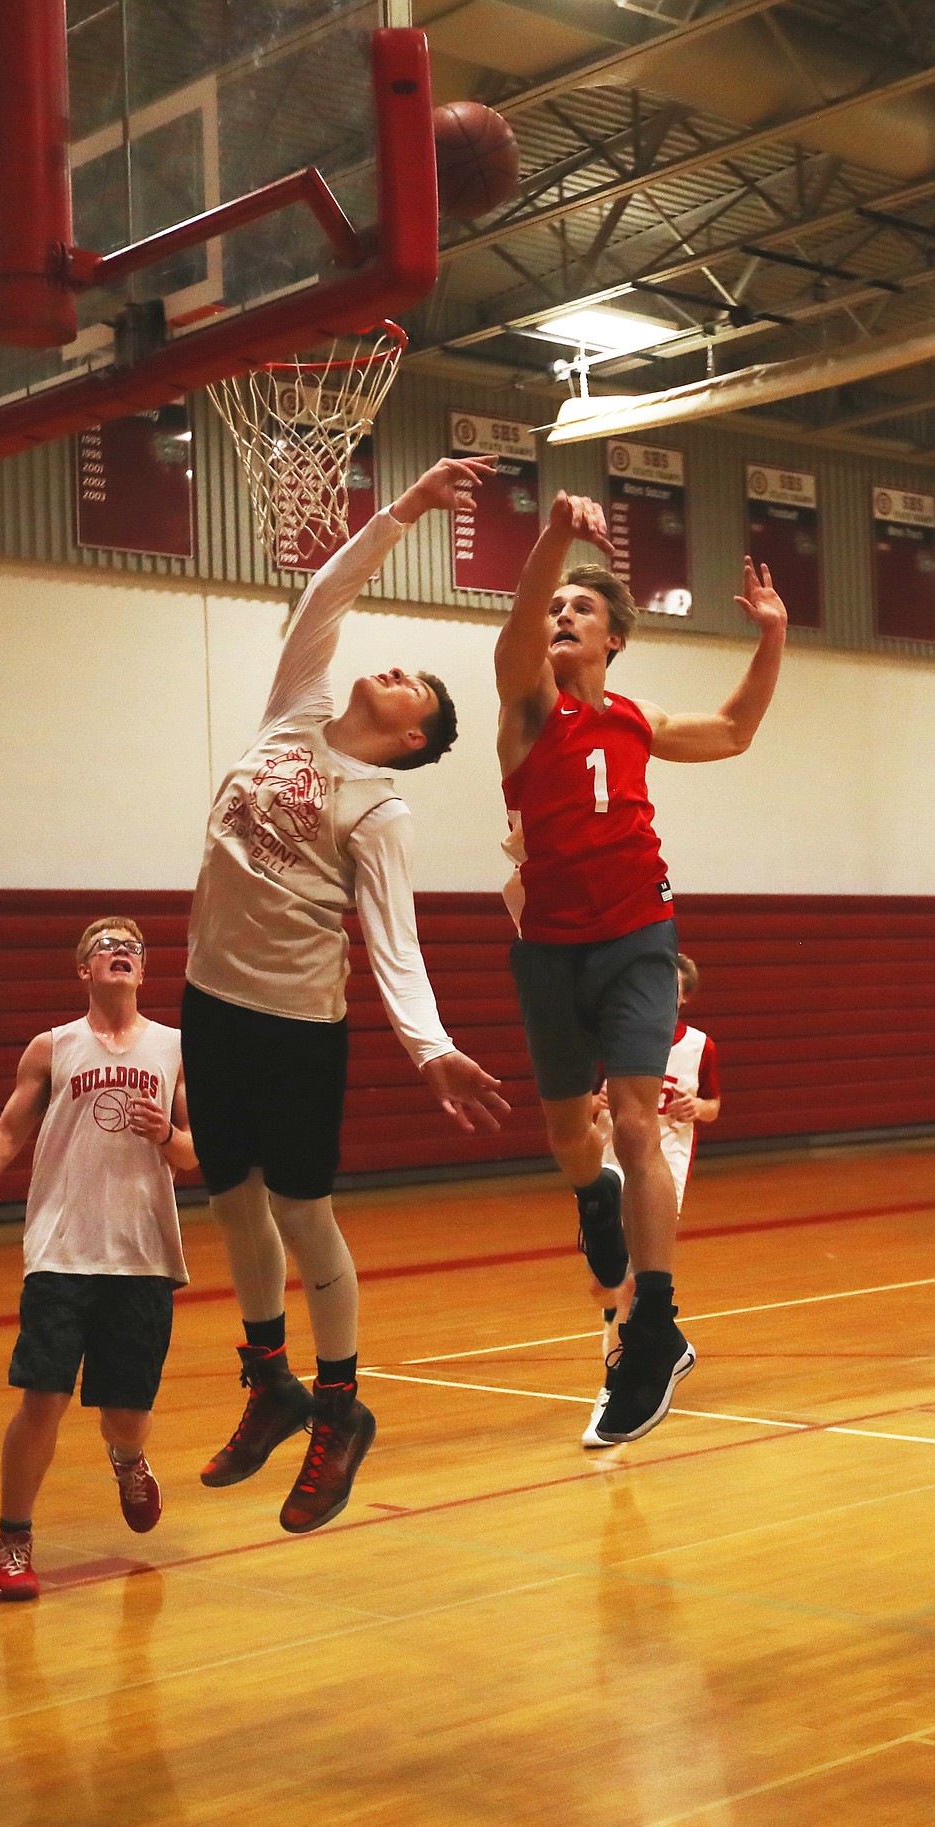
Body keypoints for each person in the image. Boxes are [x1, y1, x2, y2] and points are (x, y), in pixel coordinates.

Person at [182, 454, 510, 1536]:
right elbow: (326, 595)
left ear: (414, 737)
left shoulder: (379, 810)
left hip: (294, 1029)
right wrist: (407, 508)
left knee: (300, 1211)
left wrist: (430, 1049)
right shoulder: (296, 711)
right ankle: (268, 1380)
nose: (395, 669)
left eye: (416, 683)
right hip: (211, 1004)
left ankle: (338, 1406)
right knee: (229, 1201)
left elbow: (393, 945)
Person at [495, 491, 786, 1444]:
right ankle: (594, 1202)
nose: (560, 617)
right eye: (553, 609)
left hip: (638, 934)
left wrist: (771, 638)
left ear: (616, 637)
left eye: (579, 608)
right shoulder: (528, 706)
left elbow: (737, 732)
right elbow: (518, 632)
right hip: (550, 947)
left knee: (631, 1117)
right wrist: (553, 540)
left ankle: (653, 1325)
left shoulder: (636, 715)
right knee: (570, 1139)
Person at [0, 916, 196, 1600]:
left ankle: (127, 1457)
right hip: (62, 1248)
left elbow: (196, 1152)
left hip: (143, 1252)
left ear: (144, 972)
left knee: (125, 1414)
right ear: (83, 970)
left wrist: (167, 1137)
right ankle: (13, 1540)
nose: (119, 952)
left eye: (131, 948)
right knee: (44, 1396)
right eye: (105, 947)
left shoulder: (177, 1049)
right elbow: (9, 1128)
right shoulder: (53, 1046)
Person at [583, 950, 720, 1446]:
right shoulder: (618, 1038)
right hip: (612, 1159)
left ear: (683, 995)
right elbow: (587, 1099)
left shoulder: (701, 1047)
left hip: (665, 1164)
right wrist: (592, 1102)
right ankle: (627, 1364)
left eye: (672, 986)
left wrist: (698, 1106)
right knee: (608, 1279)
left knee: (633, 1280)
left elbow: (713, 1106)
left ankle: (615, 1380)